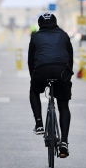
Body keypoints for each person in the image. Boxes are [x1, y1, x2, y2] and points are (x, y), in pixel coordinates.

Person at [28, 12, 74, 158]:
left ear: (40, 24)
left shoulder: (35, 36)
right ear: (55, 22)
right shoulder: (64, 35)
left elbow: (31, 61)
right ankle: (64, 142)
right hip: (62, 71)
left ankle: (39, 123)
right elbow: (70, 58)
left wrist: (34, 79)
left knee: (34, 91)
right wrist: (67, 76)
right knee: (63, 105)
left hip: (41, 70)